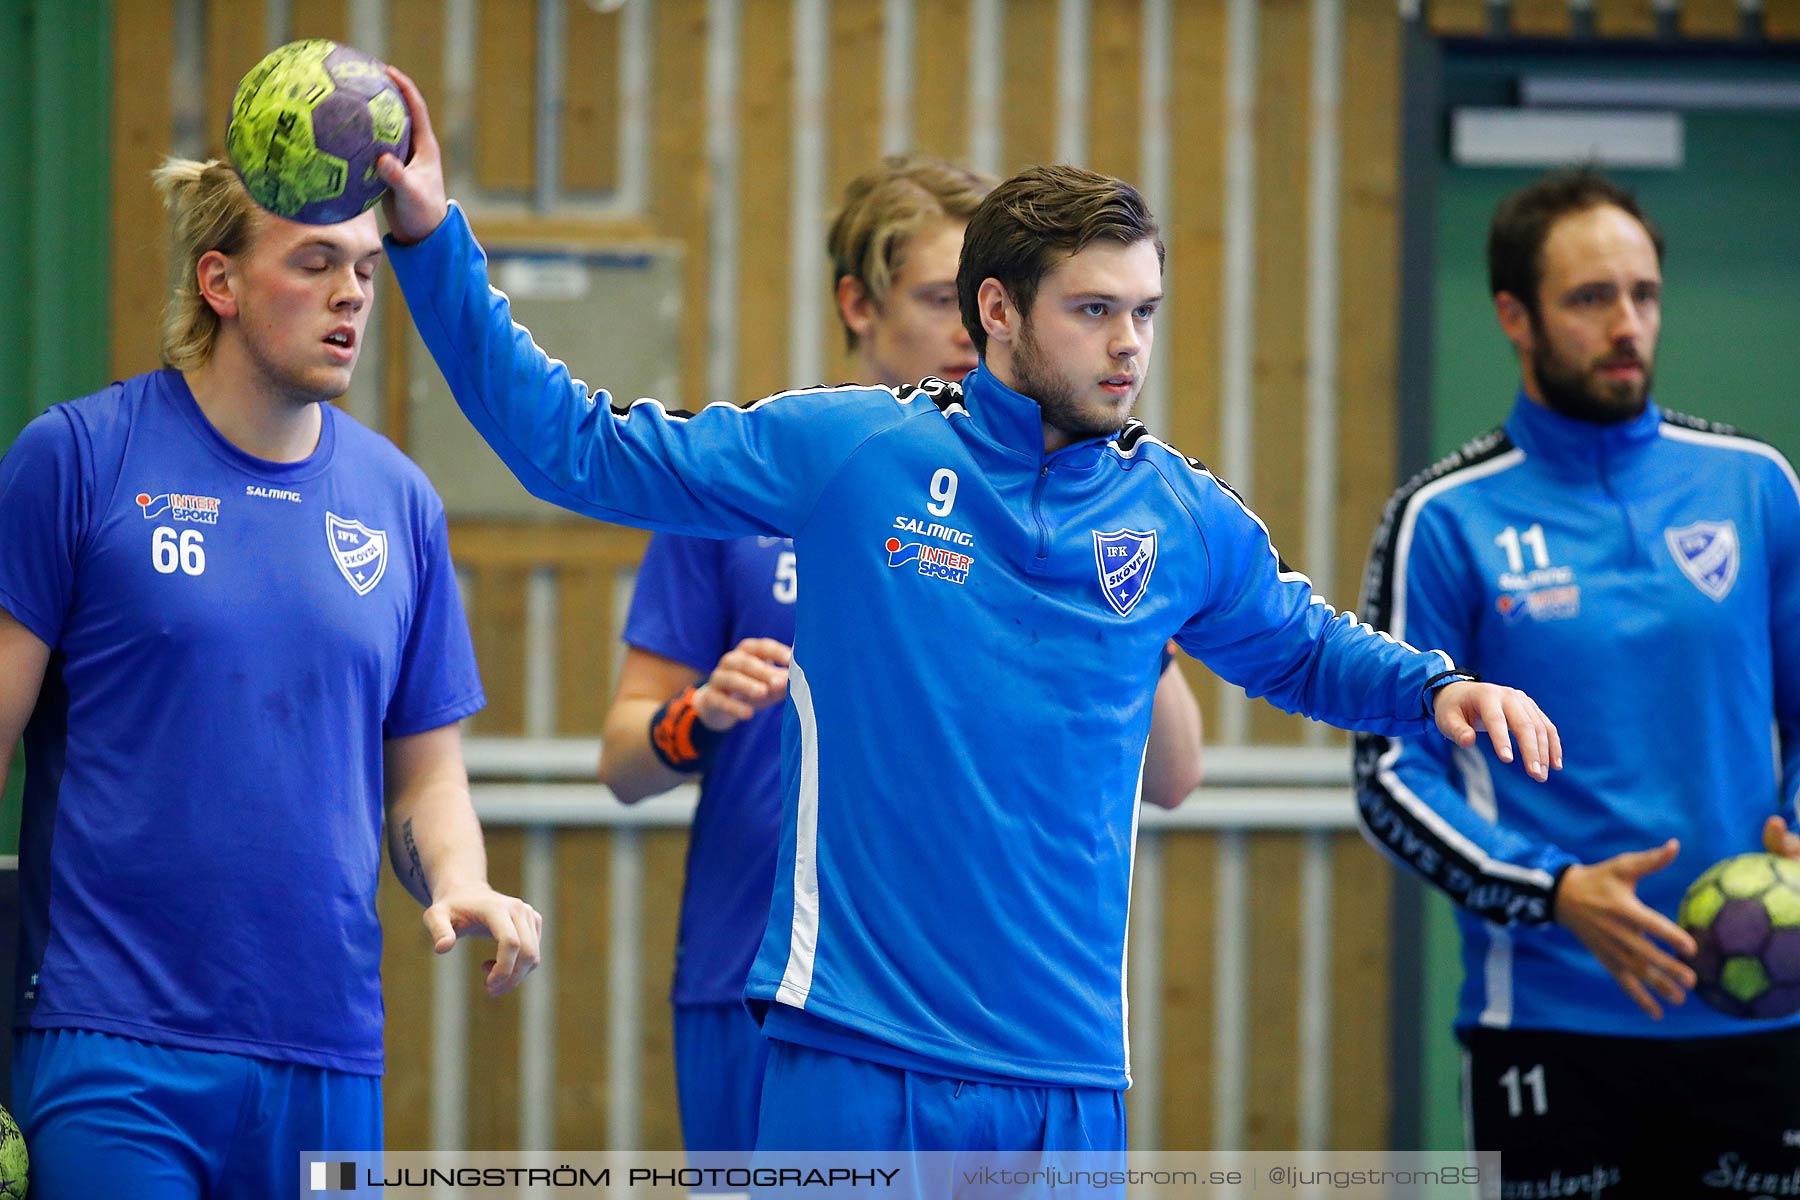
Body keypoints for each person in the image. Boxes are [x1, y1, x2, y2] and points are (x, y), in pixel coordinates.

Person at [379, 68, 1557, 1153]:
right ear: (997, 311)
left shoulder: (1180, 515)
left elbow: (1301, 649)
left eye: (1144, 311)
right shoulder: (852, 455)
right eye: (1094, 311)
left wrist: (1435, 686)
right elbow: (571, 445)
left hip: (1067, 1081)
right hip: (850, 1054)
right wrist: (433, 240)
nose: (1129, 345)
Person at [596, 155, 1206, 1154]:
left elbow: (1176, 775)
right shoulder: (755, 487)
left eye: (988, 300)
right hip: (754, 971)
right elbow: (620, 764)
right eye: (940, 297)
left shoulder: (1073, 515)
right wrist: (691, 717)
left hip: (963, 1009)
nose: (974, 328)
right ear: (858, 303)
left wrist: (1124, 607)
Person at [0, 157, 542, 1196]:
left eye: (369, 270)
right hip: (114, 1044)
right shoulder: (76, 460)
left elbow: (427, 782)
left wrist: (461, 879)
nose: (351, 294)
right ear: (221, 283)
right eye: (315, 263)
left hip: (328, 1056)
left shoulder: (399, 502)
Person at [1354, 168, 1800, 1194]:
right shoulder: (1446, 518)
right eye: (1591, 298)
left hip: (1761, 1012)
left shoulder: (1756, 485)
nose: (1627, 325)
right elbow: (1388, 771)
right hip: (1550, 1022)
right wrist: (1553, 893)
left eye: (1643, 295)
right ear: (1515, 316)